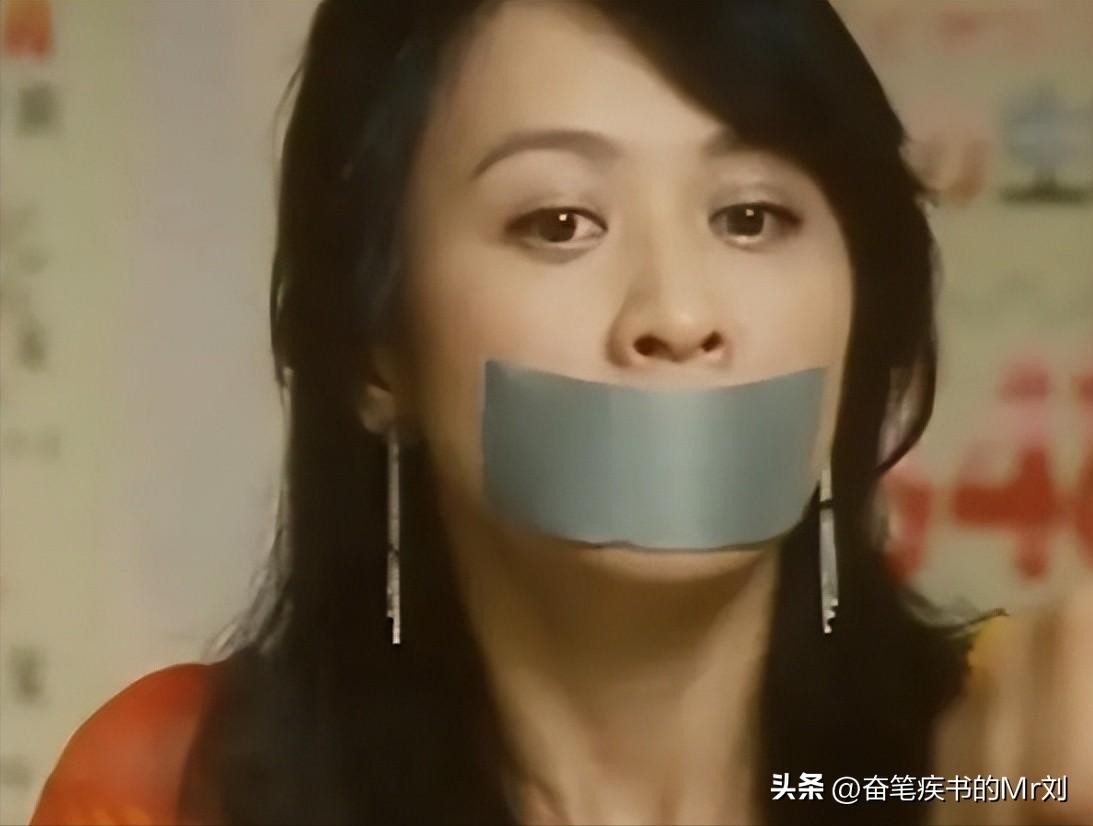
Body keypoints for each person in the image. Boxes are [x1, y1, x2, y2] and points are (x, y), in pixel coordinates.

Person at [29, 1, 1093, 824]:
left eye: (750, 216)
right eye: (558, 222)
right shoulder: (173, 789)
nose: (677, 314)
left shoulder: (1023, 763)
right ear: (375, 346)